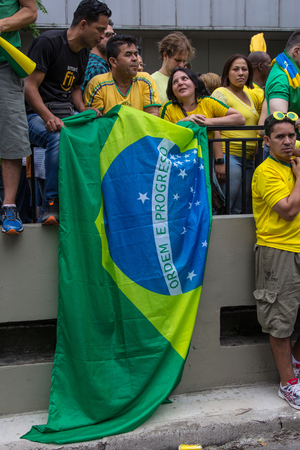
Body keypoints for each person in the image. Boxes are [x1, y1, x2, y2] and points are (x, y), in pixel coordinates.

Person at [25, 0, 111, 226]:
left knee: (99, 133)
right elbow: (29, 86)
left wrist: (84, 109)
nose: (102, 36)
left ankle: (89, 203)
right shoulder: (48, 42)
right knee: (58, 139)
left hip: (66, 116)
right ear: (83, 24)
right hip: (34, 116)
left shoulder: (84, 53)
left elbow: (74, 88)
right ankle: (51, 204)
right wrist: (48, 118)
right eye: (100, 30)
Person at [252, 112, 300, 410]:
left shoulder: (292, 158)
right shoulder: (266, 171)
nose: (287, 141)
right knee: (280, 321)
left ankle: (295, 363)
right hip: (278, 251)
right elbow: (288, 209)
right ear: (266, 141)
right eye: (279, 137)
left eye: (291, 136)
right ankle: (288, 384)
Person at [0, 0, 37, 234]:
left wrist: (1, 24)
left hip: (4, 65)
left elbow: (30, 11)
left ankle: (9, 207)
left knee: (12, 134)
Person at [211, 54, 262, 213]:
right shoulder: (221, 93)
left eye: (244, 69)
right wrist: (219, 161)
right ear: (227, 73)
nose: (241, 73)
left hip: (248, 159)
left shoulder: (251, 94)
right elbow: (213, 127)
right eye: (236, 69)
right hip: (229, 155)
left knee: (242, 207)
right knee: (226, 206)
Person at [83, 35, 161, 116]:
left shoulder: (146, 80)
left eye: (135, 54)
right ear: (113, 62)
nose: (135, 59)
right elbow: (96, 122)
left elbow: (152, 116)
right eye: (128, 54)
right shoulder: (97, 84)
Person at [160, 68, 245, 137]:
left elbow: (240, 118)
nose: (180, 83)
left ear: (195, 84)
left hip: (206, 156)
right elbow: (161, 135)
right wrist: (183, 122)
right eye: (175, 82)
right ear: (172, 90)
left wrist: (207, 122)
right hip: (177, 156)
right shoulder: (167, 107)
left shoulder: (208, 102)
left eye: (184, 78)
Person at [265, 30, 300, 137]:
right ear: (297, 51)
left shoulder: (292, 74)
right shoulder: (280, 77)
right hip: (289, 148)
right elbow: (280, 119)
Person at [152, 32, 195, 104]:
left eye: (184, 61)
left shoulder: (189, 81)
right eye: (177, 60)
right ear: (165, 55)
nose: (181, 65)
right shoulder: (152, 81)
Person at [81, 19, 114, 93]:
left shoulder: (86, 59)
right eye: (107, 35)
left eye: (113, 35)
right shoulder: (97, 67)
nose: (112, 39)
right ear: (98, 37)